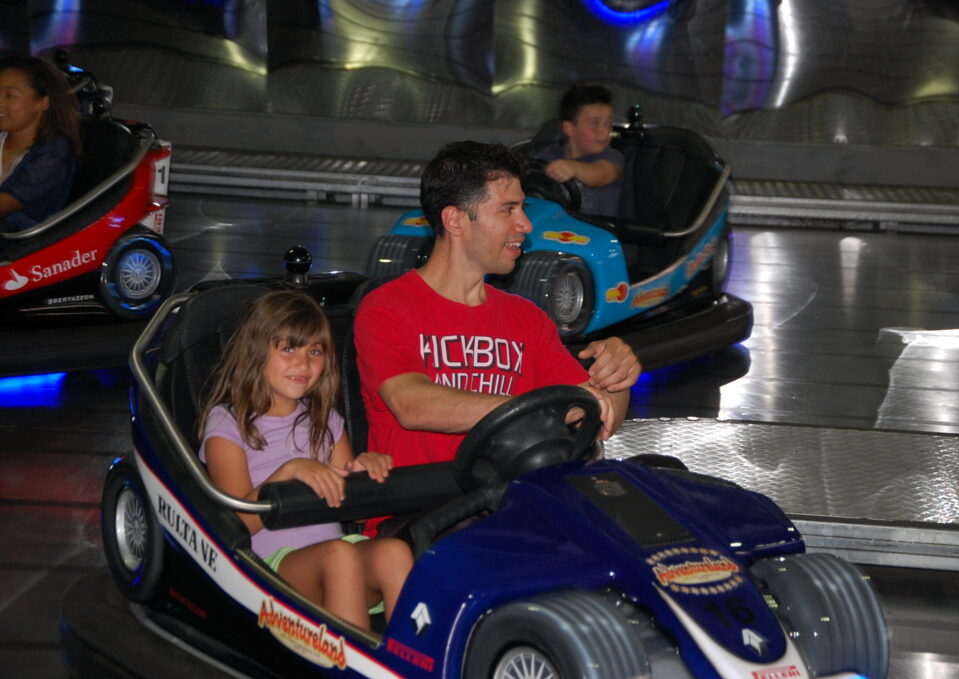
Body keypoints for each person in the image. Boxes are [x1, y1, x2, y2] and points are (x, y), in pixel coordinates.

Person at [355, 141, 640, 477]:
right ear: (456, 220)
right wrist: (544, 411)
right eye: (509, 210)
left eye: (523, 209)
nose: (526, 225)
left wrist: (614, 379)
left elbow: (598, 415)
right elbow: (412, 405)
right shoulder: (386, 308)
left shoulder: (527, 317)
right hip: (421, 510)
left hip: (510, 506)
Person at [198, 290, 413, 631]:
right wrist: (287, 474)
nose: (303, 363)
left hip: (335, 555)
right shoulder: (228, 423)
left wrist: (362, 471)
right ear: (256, 352)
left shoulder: (326, 421)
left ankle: (408, 663)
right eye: (289, 349)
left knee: (395, 553)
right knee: (339, 557)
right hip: (266, 567)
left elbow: (352, 507)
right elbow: (233, 524)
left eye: (315, 351)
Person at [0, 56, 80, 233]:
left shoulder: (54, 154)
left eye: (10, 95)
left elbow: (5, 205)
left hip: (19, 244)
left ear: (43, 102)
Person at [531, 84, 623, 216]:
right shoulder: (546, 155)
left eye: (608, 123)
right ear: (569, 128)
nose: (604, 131)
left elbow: (601, 175)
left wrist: (574, 169)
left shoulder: (612, 157)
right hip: (553, 230)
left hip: (597, 233)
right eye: (594, 124)